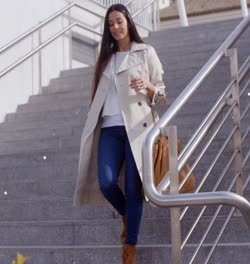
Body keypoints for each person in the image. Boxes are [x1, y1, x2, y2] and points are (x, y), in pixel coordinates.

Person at [74, 3, 166, 264]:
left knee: (134, 189)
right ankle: (128, 214)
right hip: (110, 129)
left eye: (119, 21)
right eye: (110, 24)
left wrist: (148, 86)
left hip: (137, 128)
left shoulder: (146, 52)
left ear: (128, 21)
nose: (115, 27)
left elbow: (162, 93)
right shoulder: (105, 59)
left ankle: (129, 251)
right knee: (106, 182)